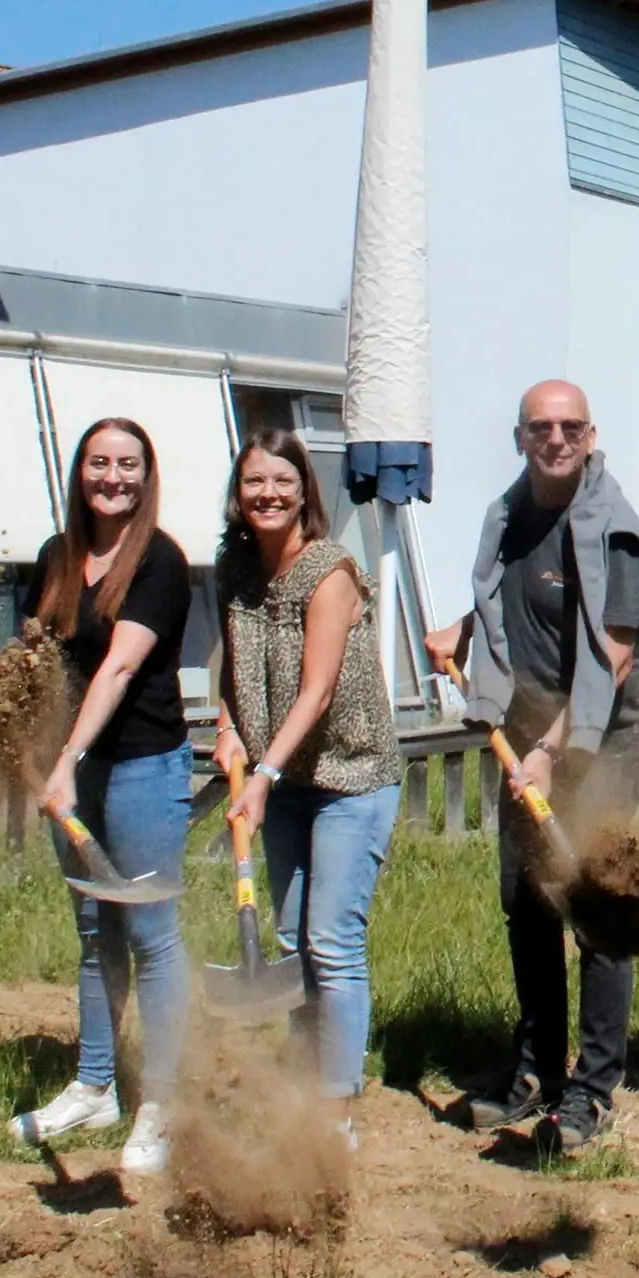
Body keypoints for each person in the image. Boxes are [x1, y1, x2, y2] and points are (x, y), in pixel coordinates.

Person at [427, 379, 639, 1156]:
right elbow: (510, 600)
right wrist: (462, 627)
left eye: (569, 427)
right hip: (525, 742)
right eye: (539, 427)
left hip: (595, 744)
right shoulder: (508, 516)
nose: (555, 439)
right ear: (519, 436)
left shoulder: (613, 529)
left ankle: (594, 1090)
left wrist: (553, 750)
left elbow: (613, 656)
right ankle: (536, 1073)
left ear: (591, 437)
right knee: (527, 905)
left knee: (597, 910)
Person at [11, 418, 198, 1176]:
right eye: (99, 463)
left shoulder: (161, 560)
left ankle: (164, 1099)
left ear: (145, 475)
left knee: (149, 931)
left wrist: (66, 757)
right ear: (79, 471)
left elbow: (119, 670)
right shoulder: (57, 558)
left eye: (127, 464)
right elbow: (37, 659)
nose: (112, 477)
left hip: (141, 766)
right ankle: (95, 1084)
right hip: (73, 768)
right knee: (94, 929)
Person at [217, 428, 401, 1145]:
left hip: (350, 777)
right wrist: (232, 724)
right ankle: (300, 1085)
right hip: (286, 780)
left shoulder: (330, 570)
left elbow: (317, 690)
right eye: (253, 482)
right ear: (238, 496)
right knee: (293, 945)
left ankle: (335, 1111)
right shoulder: (233, 572)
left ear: (304, 494)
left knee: (329, 939)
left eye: (281, 482)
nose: (267, 494)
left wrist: (260, 774)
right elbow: (231, 666)